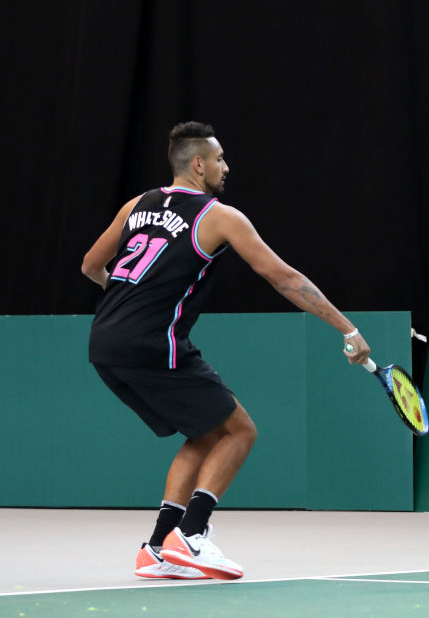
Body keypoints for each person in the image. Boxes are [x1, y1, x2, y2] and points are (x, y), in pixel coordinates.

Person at [82, 121, 371, 580]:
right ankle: (192, 535)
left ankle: (156, 548)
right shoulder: (218, 215)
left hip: (104, 342)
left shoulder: (136, 205)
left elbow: (92, 265)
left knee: (204, 432)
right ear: (198, 164)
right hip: (154, 343)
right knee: (240, 432)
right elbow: (285, 278)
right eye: (219, 159)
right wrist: (348, 329)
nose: (225, 166)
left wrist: (124, 306)